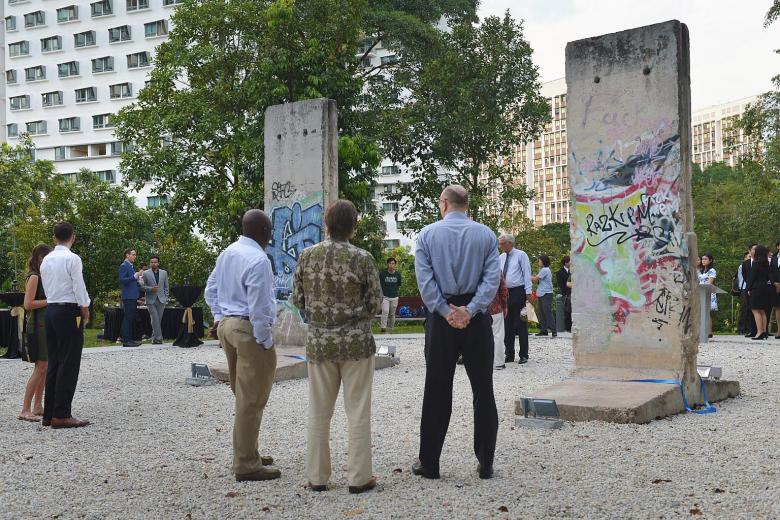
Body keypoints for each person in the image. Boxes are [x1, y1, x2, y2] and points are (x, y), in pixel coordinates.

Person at [291, 200, 382, 494]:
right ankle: (359, 477)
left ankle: (317, 477)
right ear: (353, 226)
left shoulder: (306, 256)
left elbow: (298, 301)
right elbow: (374, 303)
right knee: (357, 410)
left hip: (320, 344)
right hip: (356, 343)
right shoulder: (363, 259)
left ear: (326, 224)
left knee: (319, 411)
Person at [413, 185, 500, 480]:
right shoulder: (487, 236)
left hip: (441, 318)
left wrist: (445, 310)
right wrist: (471, 309)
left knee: (437, 389)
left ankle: (430, 462)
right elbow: (491, 282)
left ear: (444, 203)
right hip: (475, 319)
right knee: (483, 390)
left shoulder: (426, 235)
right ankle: (486, 461)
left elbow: (425, 283)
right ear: (467, 204)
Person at [205, 209, 279, 482]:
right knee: (252, 398)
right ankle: (246, 463)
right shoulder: (259, 259)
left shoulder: (228, 252)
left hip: (227, 325)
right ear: (263, 232)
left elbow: (210, 288)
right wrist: (265, 339)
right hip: (248, 328)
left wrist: (217, 317)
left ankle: (248, 450)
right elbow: (259, 305)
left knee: (244, 394)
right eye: (270, 231)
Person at [39, 222, 91, 428]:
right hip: (68, 310)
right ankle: (61, 413)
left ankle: (49, 413)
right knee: (69, 361)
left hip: (50, 310)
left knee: (54, 361)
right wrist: (85, 307)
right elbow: (79, 285)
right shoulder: (72, 258)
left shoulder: (46, 260)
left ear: (54, 238)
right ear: (73, 237)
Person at [18, 244, 53, 422]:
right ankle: (25, 409)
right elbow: (28, 304)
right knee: (40, 367)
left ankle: (38, 406)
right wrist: (49, 300)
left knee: (44, 368)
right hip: (37, 326)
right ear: (39, 258)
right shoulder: (34, 277)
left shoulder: (44, 276)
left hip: (45, 324)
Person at [498, 234, 532, 364]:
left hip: (518, 291)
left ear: (509, 243)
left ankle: (523, 354)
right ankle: (509, 353)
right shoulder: (501, 257)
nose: (500, 246)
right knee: (507, 324)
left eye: (502, 244)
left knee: (520, 323)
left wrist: (528, 292)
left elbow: (526, 273)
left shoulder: (521, 255)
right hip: (505, 292)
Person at [142, 256, 169, 344]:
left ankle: (154, 337)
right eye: (152, 262)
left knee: (158, 319)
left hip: (161, 300)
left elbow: (166, 286)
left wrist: (166, 297)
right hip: (150, 300)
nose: (153, 263)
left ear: (158, 263)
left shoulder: (164, 273)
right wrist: (150, 289)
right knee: (155, 318)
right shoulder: (145, 273)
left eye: (155, 262)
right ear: (150, 263)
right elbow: (142, 287)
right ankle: (159, 338)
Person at [747, 244, 771, 340]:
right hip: (764, 288)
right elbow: (768, 277)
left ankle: (759, 332)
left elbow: (751, 278)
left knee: (755, 310)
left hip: (756, 289)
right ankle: (764, 332)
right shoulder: (767, 264)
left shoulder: (756, 263)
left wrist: (748, 288)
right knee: (762, 311)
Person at [118, 248, 141, 348]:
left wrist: (138, 279)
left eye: (135, 255)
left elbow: (131, 281)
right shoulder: (124, 266)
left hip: (132, 296)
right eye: (133, 254)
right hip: (128, 297)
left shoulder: (130, 266)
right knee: (128, 319)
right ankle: (126, 340)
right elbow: (122, 280)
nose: (135, 256)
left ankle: (129, 339)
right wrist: (134, 277)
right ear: (127, 255)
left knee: (130, 318)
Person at [532, 255, 557, 337]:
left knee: (547, 312)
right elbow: (537, 280)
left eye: (540, 261)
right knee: (542, 313)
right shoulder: (542, 270)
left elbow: (535, 280)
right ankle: (543, 330)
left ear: (544, 261)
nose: (538, 262)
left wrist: (529, 276)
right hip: (542, 293)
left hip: (546, 294)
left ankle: (554, 330)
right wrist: (535, 276)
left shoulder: (545, 270)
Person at [488, 273, 508, 370]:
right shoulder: (495, 269)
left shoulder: (474, 266)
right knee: (498, 335)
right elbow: (503, 290)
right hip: (495, 307)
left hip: (479, 309)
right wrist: (504, 306)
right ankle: (498, 362)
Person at [379, 258, 402, 333]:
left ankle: (391, 329)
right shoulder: (383, 274)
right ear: (387, 264)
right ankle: (383, 328)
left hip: (394, 297)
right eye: (390, 263)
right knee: (385, 311)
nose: (391, 265)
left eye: (393, 263)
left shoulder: (398, 275)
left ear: (395, 265)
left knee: (392, 314)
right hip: (385, 297)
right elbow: (380, 285)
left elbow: (399, 285)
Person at [697, 253, 717, 339]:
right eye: (702, 259)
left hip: (707, 292)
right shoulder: (700, 270)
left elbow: (710, 282)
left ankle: (709, 331)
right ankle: (701, 330)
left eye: (705, 259)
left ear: (710, 260)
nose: (703, 261)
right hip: (699, 292)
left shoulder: (712, 270)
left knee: (706, 312)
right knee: (700, 312)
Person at [741, 245, 758, 338]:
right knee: (750, 309)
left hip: (759, 289)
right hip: (749, 289)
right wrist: (749, 288)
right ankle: (752, 331)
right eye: (754, 249)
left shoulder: (762, 262)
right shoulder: (745, 263)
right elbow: (745, 276)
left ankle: (762, 330)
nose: (755, 251)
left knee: (760, 310)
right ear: (749, 251)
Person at [736, 250, 753, 335]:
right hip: (743, 288)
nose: (750, 258)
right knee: (744, 308)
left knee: (750, 308)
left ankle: (748, 328)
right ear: (745, 258)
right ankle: (741, 328)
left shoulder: (751, 265)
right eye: (749, 257)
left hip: (750, 288)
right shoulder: (742, 266)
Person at [556, 256, 572, 332]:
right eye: (570, 261)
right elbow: (561, 285)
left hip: (573, 293)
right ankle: (568, 327)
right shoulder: (560, 272)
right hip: (566, 293)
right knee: (568, 310)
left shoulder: (572, 271)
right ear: (566, 262)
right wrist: (567, 292)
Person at [771, 241, 780, 339]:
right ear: (778, 247)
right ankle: (779, 330)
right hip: (775, 286)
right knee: (778, 308)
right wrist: (775, 283)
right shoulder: (773, 259)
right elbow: (770, 272)